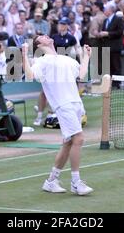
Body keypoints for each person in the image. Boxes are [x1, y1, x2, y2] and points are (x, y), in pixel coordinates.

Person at [22, 36, 94, 196]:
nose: (47, 36)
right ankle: (76, 183)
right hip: (63, 105)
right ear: (39, 45)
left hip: (75, 103)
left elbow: (81, 75)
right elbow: (30, 75)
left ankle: (51, 181)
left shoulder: (65, 59)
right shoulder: (41, 61)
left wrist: (86, 57)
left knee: (68, 143)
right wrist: (24, 55)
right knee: (79, 139)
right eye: (41, 37)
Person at [98, 3, 124, 89]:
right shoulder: (105, 21)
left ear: (110, 10)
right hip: (106, 46)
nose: (104, 11)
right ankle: (109, 83)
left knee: (116, 65)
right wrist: (102, 34)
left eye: (106, 9)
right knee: (108, 66)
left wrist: (108, 33)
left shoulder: (118, 19)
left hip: (115, 47)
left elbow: (120, 32)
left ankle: (116, 84)